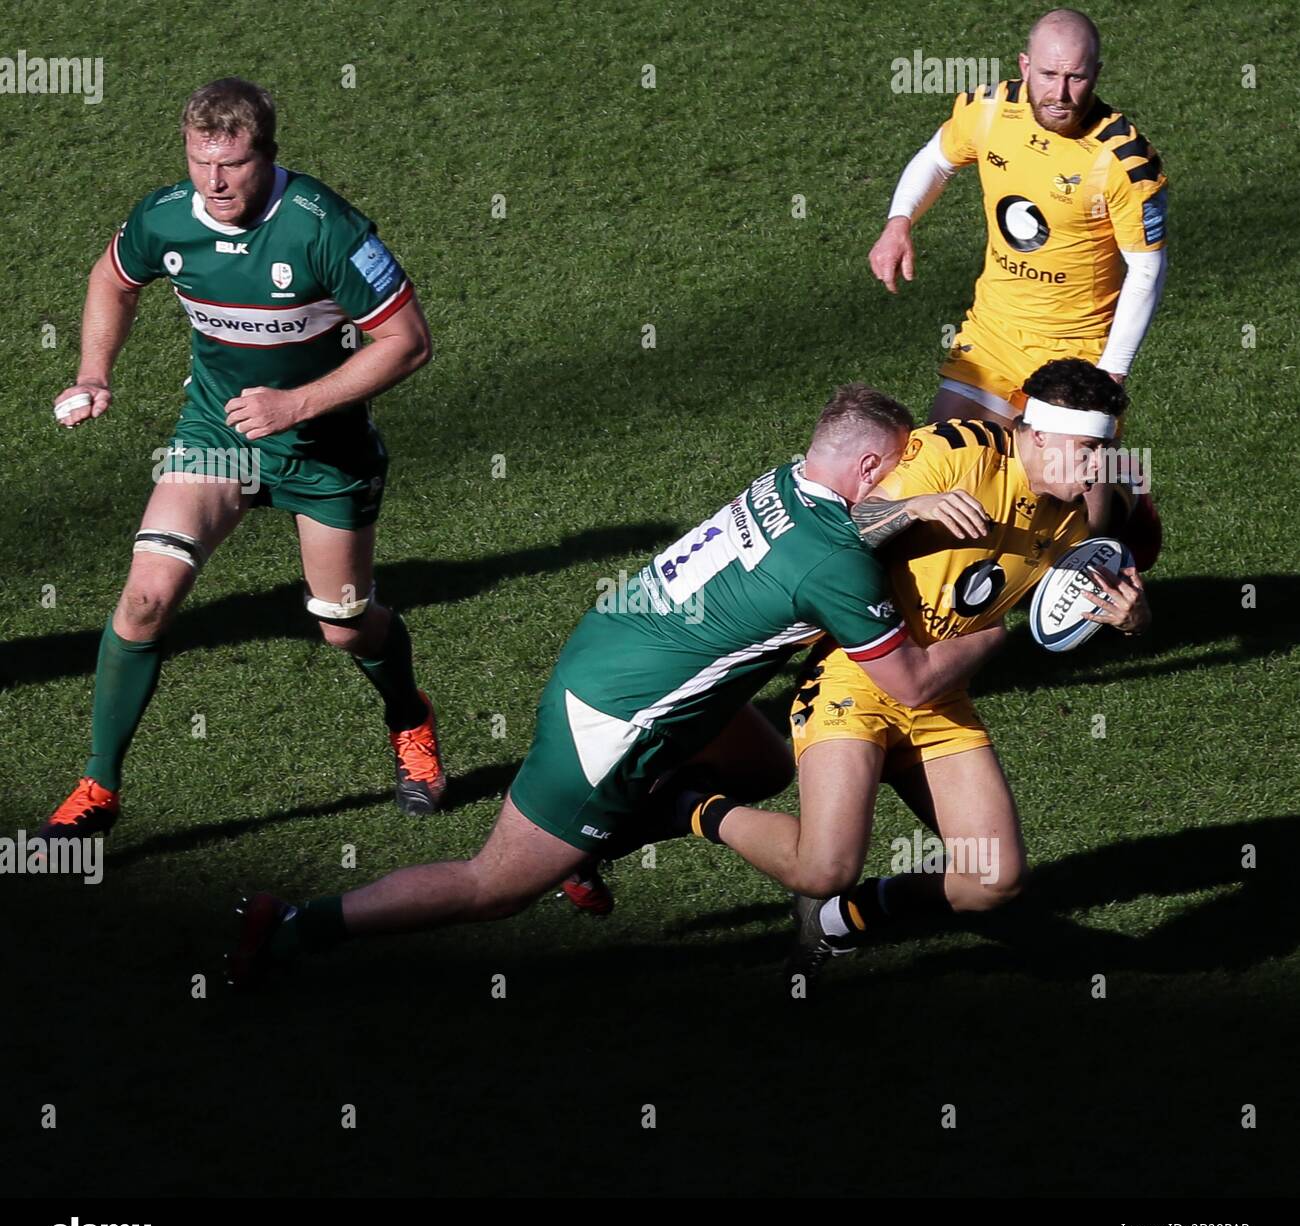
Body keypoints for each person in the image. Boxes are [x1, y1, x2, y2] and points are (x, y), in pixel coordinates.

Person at [227, 384, 1006, 986]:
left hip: (622, 651)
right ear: (868, 468)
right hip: (617, 718)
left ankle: (602, 841)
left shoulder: (789, 484)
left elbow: (833, 534)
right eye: (900, 467)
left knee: (765, 766)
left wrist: (911, 505)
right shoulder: (833, 563)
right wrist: (1012, 624)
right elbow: (906, 682)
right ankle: (290, 924)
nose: (907, 478)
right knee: (492, 885)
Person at [40, 78, 445, 842]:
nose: (216, 183)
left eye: (233, 163)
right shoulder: (164, 217)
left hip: (325, 451)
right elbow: (111, 280)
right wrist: (95, 371)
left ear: (269, 154)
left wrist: (294, 405)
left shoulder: (325, 228)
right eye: (201, 162)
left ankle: (409, 717)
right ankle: (99, 783)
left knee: (344, 624)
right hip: (216, 437)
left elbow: (410, 343)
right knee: (145, 597)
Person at [677, 359, 1151, 991]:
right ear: (1036, 434)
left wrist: (1133, 618)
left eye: (1107, 451)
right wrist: (913, 507)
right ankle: (692, 806)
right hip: (854, 677)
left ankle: (840, 924)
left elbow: (1091, 604)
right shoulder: (955, 452)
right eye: (1087, 449)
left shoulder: (1069, 522)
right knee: (823, 866)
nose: (1098, 468)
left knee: (995, 881)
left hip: (937, 696)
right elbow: (832, 534)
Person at [867, 8, 1166, 557]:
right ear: (1024, 66)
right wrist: (899, 221)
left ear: (1096, 73)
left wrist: (1113, 370)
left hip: (1077, 353)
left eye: (1076, 77)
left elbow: (1146, 267)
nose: (1061, 92)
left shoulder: (1123, 160)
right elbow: (936, 160)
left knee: (1074, 508)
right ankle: (968, 592)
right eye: (1049, 75)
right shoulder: (987, 113)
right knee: (941, 470)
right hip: (994, 336)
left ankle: (1114, 525)